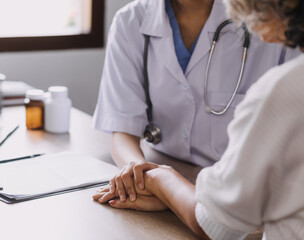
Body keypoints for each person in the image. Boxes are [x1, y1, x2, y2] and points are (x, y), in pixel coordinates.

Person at [93, 0, 304, 239]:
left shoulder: (277, 77)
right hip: (203, 189)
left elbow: (215, 224)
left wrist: (162, 182)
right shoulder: (130, 21)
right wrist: (142, 180)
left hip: (237, 193)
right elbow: (122, 127)